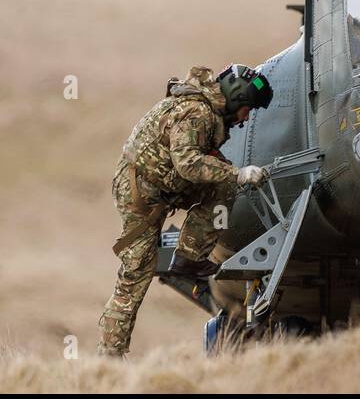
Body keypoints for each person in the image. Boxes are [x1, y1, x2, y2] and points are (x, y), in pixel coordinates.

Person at [96, 64, 273, 357]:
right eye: (247, 110)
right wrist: (240, 174)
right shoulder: (197, 113)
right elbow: (188, 163)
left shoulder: (207, 112)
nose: (246, 118)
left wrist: (231, 174)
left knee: (224, 182)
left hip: (164, 186)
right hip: (141, 194)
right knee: (135, 276)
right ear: (236, 100)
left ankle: (190, 257)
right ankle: (109, 357)